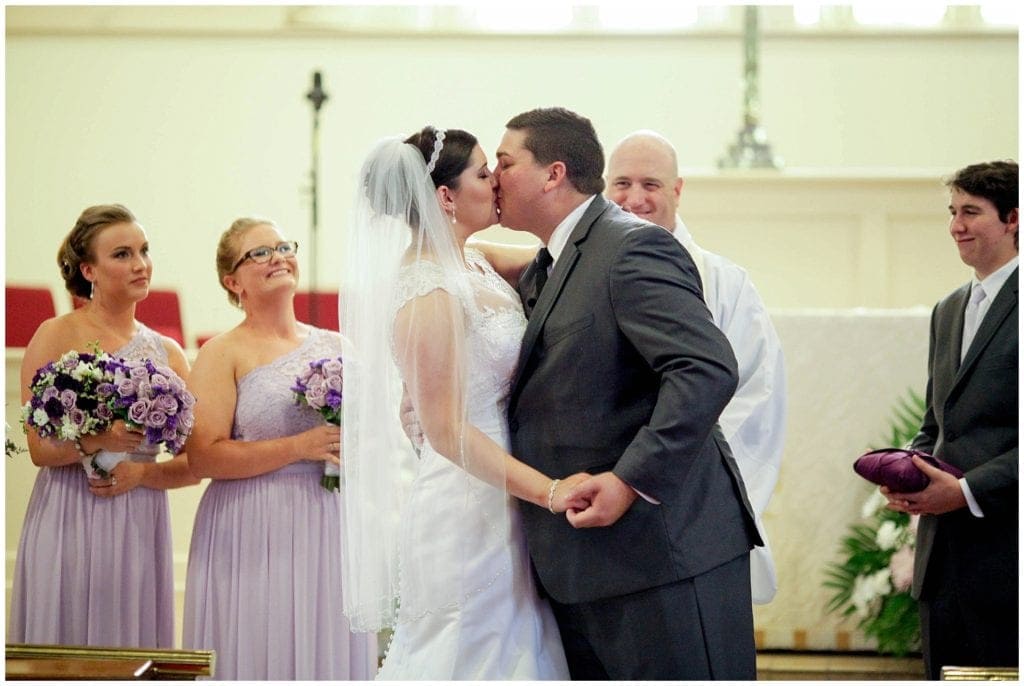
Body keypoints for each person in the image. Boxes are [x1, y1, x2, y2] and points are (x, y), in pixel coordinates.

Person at [495, 107, 762, 680]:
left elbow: (705, 368)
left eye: (505, 162)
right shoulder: (552, 260)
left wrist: (630, 479)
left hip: (662, 554)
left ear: (552, 174)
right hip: (585, 562)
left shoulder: (632, 248)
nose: (495, 177)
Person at [339, 126, 574, 679]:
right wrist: (549, 491)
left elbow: (555, 252)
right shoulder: (428, 290)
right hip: (469, 501)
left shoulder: (474, 261)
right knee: (470, 651)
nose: (496, 184)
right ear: (445, 196)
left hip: (505, 486)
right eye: (484, 173)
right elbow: (443, 431)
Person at [181, 218, 377, 680]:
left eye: (283, 247)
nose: (279, 257)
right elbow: (203, 456)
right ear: (233, 281)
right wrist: (299, 446)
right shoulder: (222, 352)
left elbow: (368, 437)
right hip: (251, 522)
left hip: (327, 521)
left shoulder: (338, 345)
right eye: (260, 253)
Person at [605, 129, 786, 604]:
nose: (634, 199)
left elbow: (757, 393)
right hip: (598, 502)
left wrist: (661, 470)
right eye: (621, 183)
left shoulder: (725, 283)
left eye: (651, 185)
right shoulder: (576, 270)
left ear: (678, 191)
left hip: (688, 500)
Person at [9, 203, 198, 647]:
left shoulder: (168, 353)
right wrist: (99, 440)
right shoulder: (54, 335)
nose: (141, 265)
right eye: (122, 254)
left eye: (144, 251)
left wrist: (143, 473)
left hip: (137, 519)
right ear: (88, 270)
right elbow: (38, 449)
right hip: (68, 511)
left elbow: (194, 460)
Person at [882, 160, 1018, 679]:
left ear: (1013, 219)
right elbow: (936, 424)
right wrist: (905, 474)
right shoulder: (949, 308)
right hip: (943, 559)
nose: (956, 225)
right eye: (952, 212)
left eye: (971, 212)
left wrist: (965, 492)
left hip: (1009, 550)